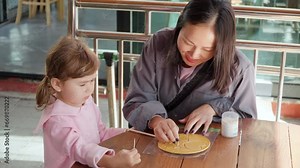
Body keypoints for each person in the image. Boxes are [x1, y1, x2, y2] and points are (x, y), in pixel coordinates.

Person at [123, 0, 257, 143]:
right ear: (180, 25)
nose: (193, 54)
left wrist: (214, 109)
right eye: (188, 42)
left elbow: (248, 121)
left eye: (207, 49)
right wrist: (156, 120)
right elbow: (136, 100)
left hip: (211, 152)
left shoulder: (240, 68)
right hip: (156, 143)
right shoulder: (158, 44)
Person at [35, 36, 141, 168]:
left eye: (92, 80)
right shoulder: (56, 121)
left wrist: (128, 133)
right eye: (82, 84)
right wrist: (109, 161)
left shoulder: (87, 102)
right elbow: (79, 148)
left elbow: (100, 134)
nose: (90, 88)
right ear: (57, 84)